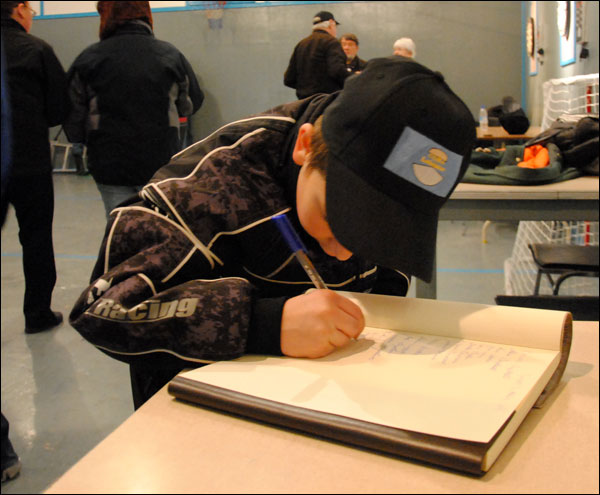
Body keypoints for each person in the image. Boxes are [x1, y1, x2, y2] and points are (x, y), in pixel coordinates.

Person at [69, 56, 476, 410]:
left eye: (379, 232)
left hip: (334, 404)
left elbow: (386, 277)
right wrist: (263, 323)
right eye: (339, 221)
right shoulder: (206, 187)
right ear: (305, 146)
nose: (342, 254)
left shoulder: (349, 177)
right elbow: (104, 311)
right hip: (201, 425)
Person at [64, 1, 204, 220]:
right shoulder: (169, 54)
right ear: (146, 14)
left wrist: (83, 141)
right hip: (159, 160)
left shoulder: (89, 58)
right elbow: (192, 102)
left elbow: (72, 114)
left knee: (120, 230)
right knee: (161, 229)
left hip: (109, 162)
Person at [1, 0, 69, 334]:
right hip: (29, 162)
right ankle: (37, 313)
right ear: (18, 10)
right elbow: (59, 109)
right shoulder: (36, 49)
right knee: (37, 237)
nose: (33, 16)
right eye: (30, 9)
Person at [284, 11, 350, 99]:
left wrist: (306, 89)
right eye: (335, 26)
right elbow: (337, 71)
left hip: (304, 104)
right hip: (327, 102)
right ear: (331, 23)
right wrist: (355, 79)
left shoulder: (301, 44)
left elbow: (288, 79)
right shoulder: (331, 42)